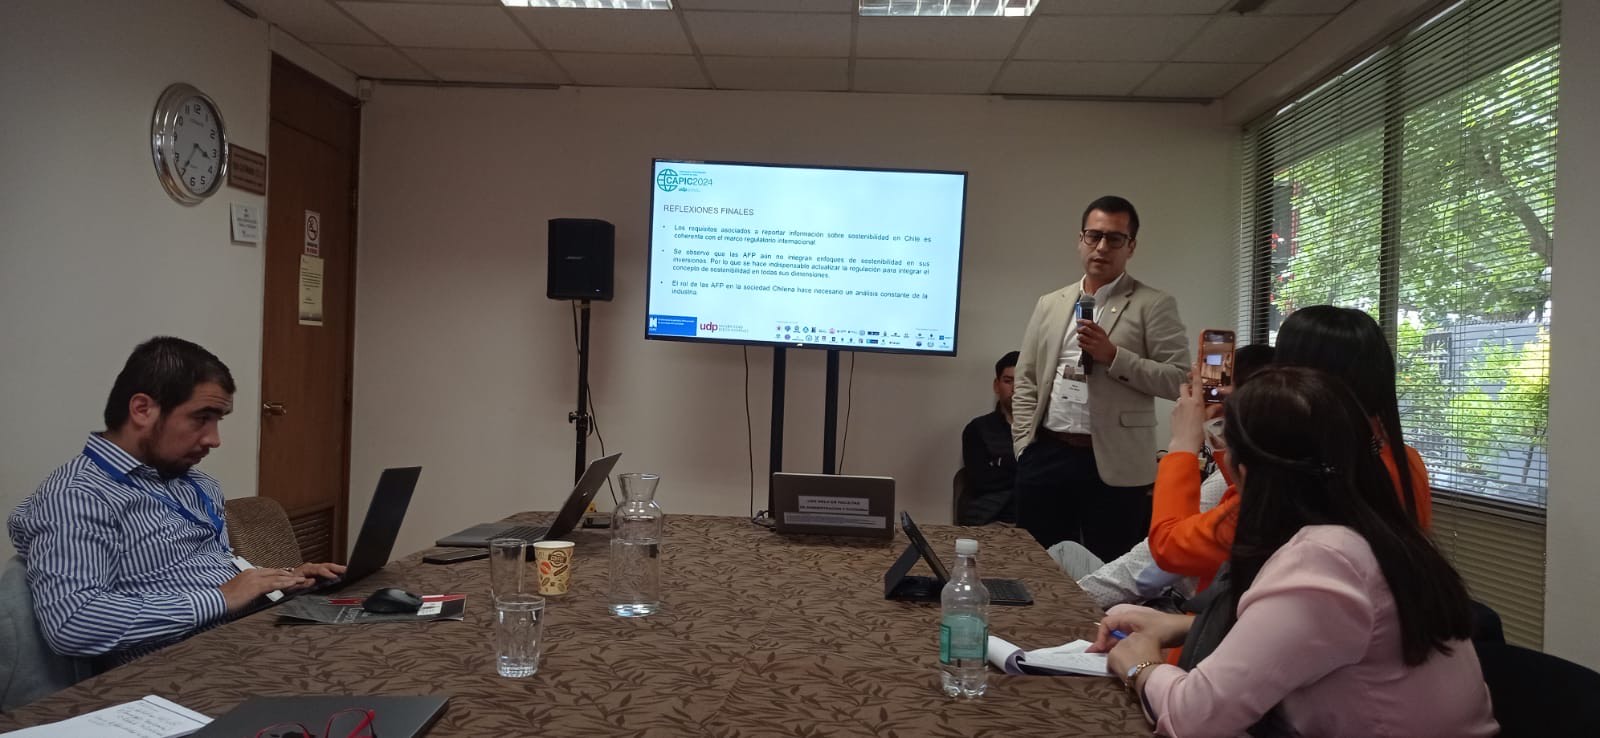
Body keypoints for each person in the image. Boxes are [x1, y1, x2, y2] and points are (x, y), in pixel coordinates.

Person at [1091, 367, 1496, 737]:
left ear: (1245, 472)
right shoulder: (1378, 531)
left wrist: (1141, 665)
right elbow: (1322, 632)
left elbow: (1192, 718)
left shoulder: (1324, 560)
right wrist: (1180, 626)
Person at [8, 337, 345, 666]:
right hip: (182, 670)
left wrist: (282, 582)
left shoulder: (195, 483)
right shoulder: (78, 496)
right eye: (201, 418)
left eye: (217, 421)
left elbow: (207, 572)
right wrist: (221, 599)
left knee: (360, 629)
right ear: (143, 410)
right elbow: (73, 624)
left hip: (246, 638)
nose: (214, 439)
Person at [1148, 307, 1432, 593]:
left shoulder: (1298, 487)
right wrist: (1223, 427)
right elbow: (1249, 489)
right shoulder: (1405, 461)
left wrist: (1182, 445)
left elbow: (1170, 545)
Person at [1011, 195, 1189, 560]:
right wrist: (1024, 446)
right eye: (1094, 236)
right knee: (1035, 565)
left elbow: (1178, 380)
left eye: (1115, 238)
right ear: (1081, 239)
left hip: (1116, 463)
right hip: (1047, 454)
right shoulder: (1051, 302)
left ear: (1131, 246)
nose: (1102, 247)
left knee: (1108, 569)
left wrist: (1113, 356)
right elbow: (1027, 377)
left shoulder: (1153, 304)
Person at [1071, 344, 1274, 609]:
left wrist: (1183, 444)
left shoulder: (1259, 503)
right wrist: (1215, 426)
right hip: (1185, 608)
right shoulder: (1285, 487)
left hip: (1177, 605)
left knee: (1063, 554)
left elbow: (1166, 550)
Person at [958, 351, 1019, 525]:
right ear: (996, 385)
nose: (1015, 388)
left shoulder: (1044, 431)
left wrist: (1002, 463)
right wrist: (1025, 469)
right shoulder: (978, 429)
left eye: (1022, 382)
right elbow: (982, 480)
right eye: (1008, 381)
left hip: (1033, 521)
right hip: (988, 520)